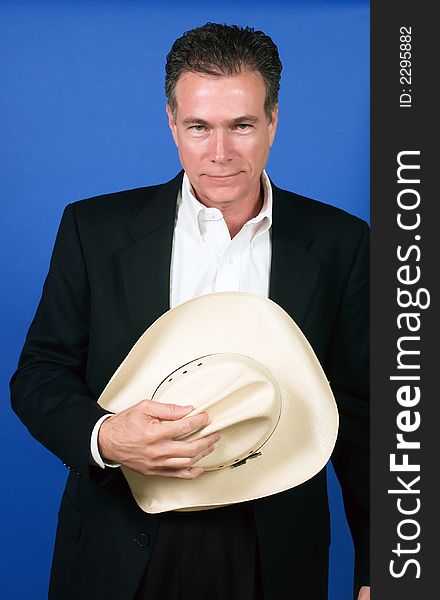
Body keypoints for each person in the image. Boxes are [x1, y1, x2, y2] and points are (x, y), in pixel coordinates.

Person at [10, 23, 369, 600]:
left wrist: (382, 567)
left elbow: (364, 417)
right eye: (199, 127)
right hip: (120, 541)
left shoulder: (341, 243)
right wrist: (104, 436)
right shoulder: (92, 229)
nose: (220, 153)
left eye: (242, 126)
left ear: (273, 123)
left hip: (270, 551)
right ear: (172, 125)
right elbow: (38, 374)